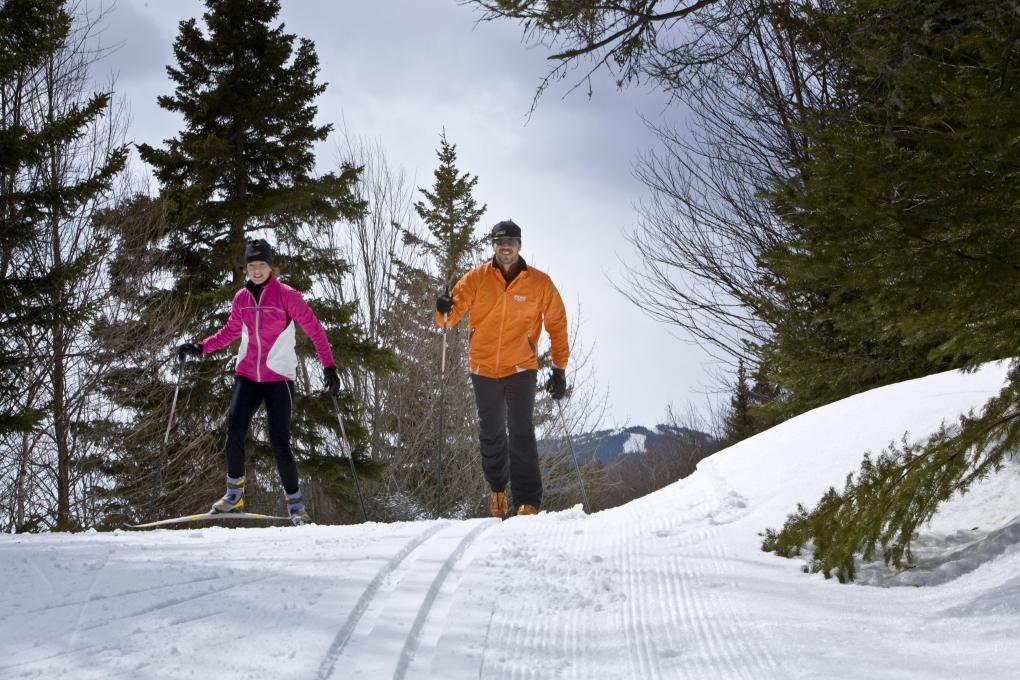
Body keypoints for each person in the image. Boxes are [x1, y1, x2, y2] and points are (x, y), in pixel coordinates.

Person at [177, 238, 342, 525]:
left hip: (278, 376)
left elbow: (314, 329)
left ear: (271, 267)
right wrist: (201, 347)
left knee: (279, 440)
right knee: (234, 429)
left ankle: (296, 506)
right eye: (251, 265)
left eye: (261, 265)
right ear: (246, 268)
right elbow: (230, 331)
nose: (256, 270)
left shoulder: (287, 296)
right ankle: (234, 495)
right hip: (248, 375)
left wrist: (329, 367)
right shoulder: (241, 298)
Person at [435, 219, 569, 517]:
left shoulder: (539, 283)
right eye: (499, 243)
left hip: (522, 366)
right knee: (492, 432)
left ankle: (528, 501)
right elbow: (448, 319)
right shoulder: (476, 279)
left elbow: (557, 323)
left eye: (510, 242)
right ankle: (497, 490)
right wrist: (442, 307)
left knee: (521, 431)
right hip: (483, 367)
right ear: (493, 246)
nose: (505, 248)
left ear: (520, 246)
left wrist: (559, 368)